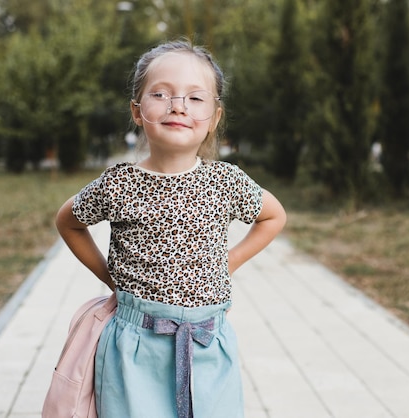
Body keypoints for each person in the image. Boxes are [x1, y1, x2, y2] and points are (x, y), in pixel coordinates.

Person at [55, 39, 287, 418]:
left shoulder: (226, 181)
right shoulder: (119, 184)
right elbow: (68, 221)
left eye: (195, 98)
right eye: (161, 93)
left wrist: (228, 262)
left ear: (214, 118)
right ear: (137, 110)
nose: (177, 105)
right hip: (134, 350)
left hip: (208, 343)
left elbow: (274, 216)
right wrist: (111, 276)